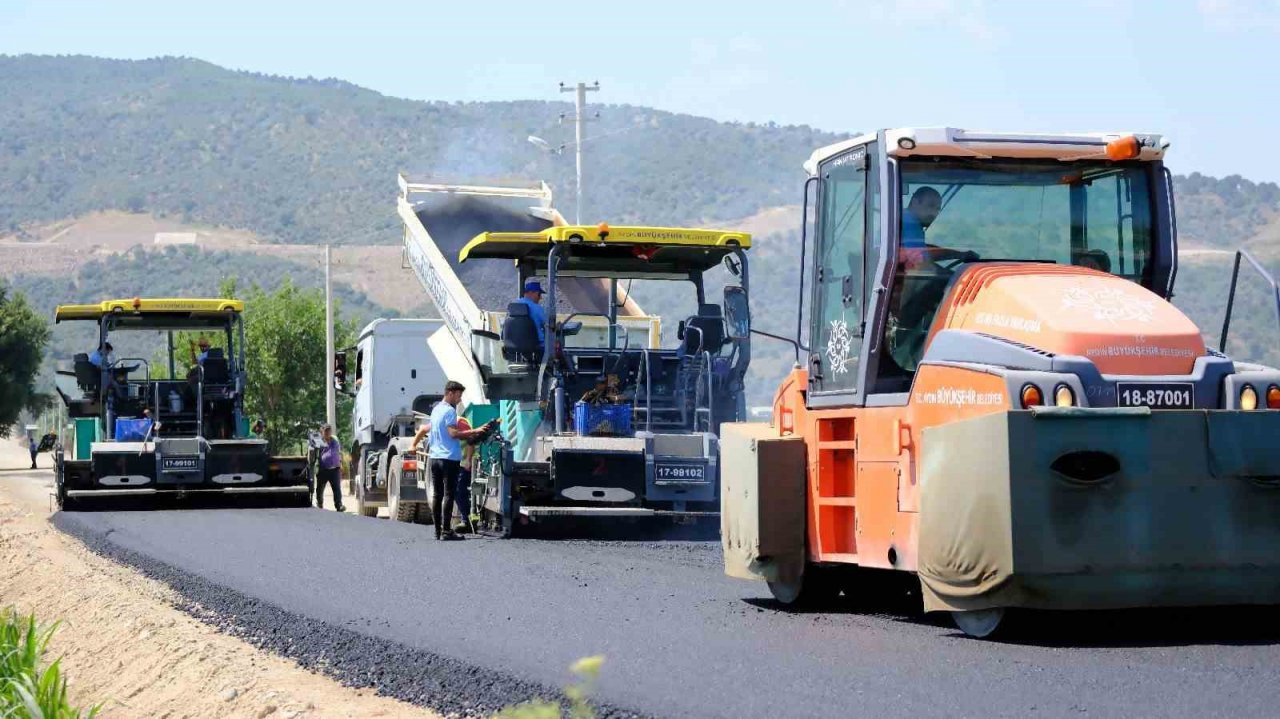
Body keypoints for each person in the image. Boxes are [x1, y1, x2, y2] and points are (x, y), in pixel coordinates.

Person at [427, 381, 496, 540]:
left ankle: (437, 531)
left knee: (437, 495)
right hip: (449, 458)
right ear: (450, 393)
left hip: (435, 458)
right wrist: (476, 430)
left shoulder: (436, 410)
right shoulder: (450, 412)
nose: (459, 400)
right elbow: (453, 433)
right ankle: (446, 531)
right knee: (449, 494)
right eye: (458, 396)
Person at [315, 423, 346, 512]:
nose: (328, 433)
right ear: (322, 432)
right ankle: (319, 503)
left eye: (329, 430)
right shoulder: (319, 442)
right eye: (326, 431)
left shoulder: (335, 440)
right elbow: (314, 453)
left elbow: (339, 452)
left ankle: (339, 505)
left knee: (337, 489)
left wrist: (341, 464)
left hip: (335, 469)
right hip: (323, 469)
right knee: (320, 489)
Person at [517, 279, 548, 350]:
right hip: (536, 348)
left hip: (514, 349)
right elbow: (549, 325)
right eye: (539, 294)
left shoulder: (513, 305)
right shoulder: (537, 308)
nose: (540, 297)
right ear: (531, 293)